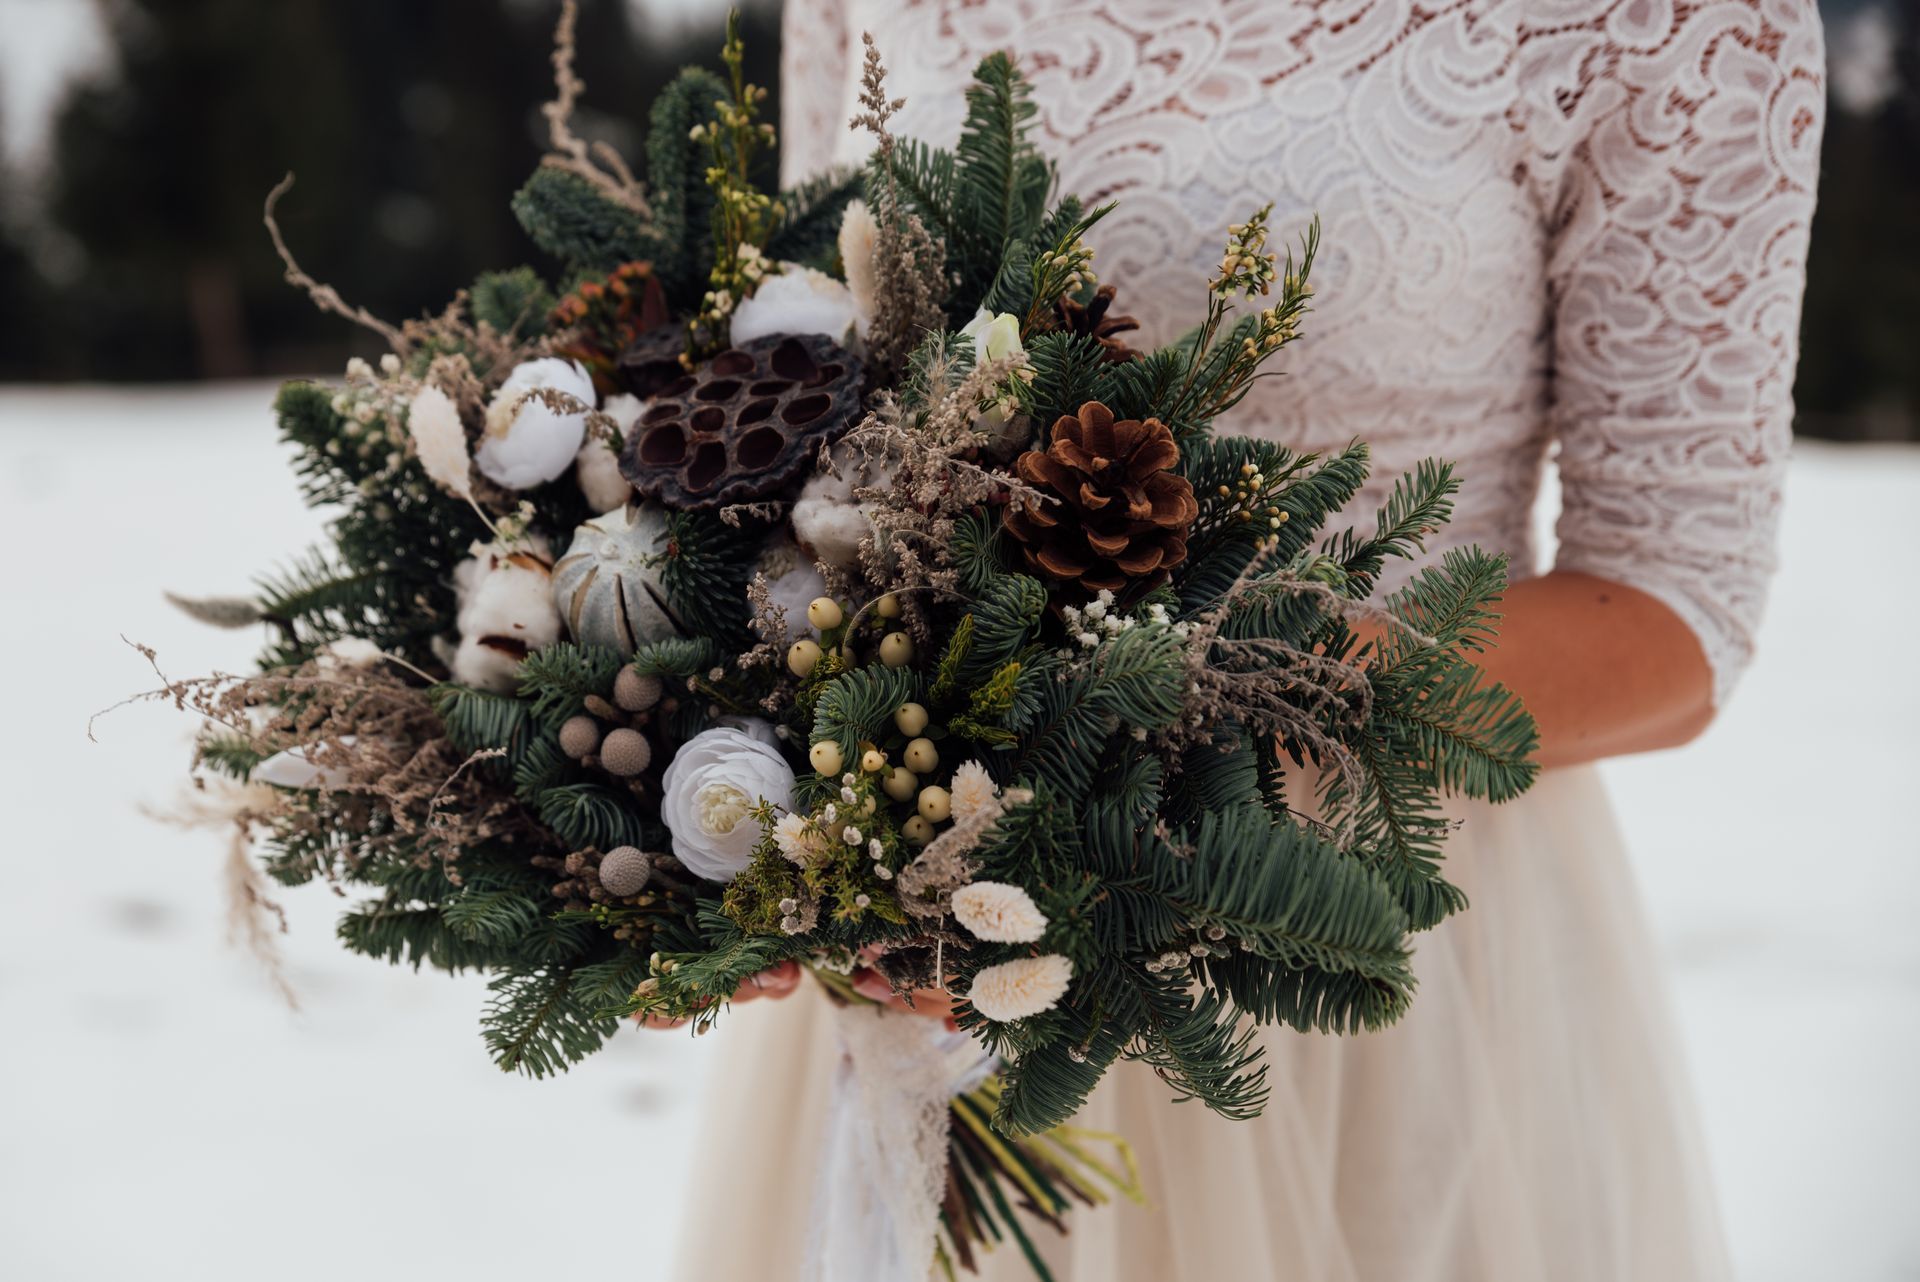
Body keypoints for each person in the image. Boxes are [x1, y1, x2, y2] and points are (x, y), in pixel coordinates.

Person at [666, 1, 1826, 1277]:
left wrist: (1227, 703)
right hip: (933, 941)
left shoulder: (1676, 23)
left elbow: (1676, 615)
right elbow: (808, 383)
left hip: (1349, 946)